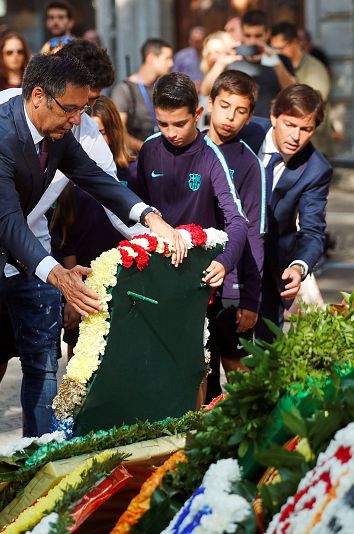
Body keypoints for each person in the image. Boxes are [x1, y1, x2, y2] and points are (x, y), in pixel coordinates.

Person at [0, 52, 187, 445]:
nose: (78, 120)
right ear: (39, 96)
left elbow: (95, 177)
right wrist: (58, 273)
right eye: (72, 110)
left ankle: (25, 469)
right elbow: (7, 221)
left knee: (36, 367)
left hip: (19, 258)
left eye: (82, 110)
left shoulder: (57, 130)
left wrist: (150, 218)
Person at [130, 71, 248, 307]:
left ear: (197, 114)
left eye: (180, 124)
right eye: (163, 124)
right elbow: (135, 209)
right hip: (153, 269)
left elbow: (237, 220)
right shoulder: (149, 149)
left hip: (197, 274)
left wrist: (224, 261)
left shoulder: (212, 156)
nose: (171, 133)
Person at [239, 84, 332, 340]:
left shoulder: (316, 168)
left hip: (271, 267)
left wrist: (299, 267)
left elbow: (313, 230)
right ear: (273, 116)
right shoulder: (244, 131)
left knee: (266, 353)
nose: (296, 136)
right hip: (224, 255)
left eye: (306, 129)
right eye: (290, 124)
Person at [50, 95, 140, 358]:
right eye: (92, 133)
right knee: (81, 363)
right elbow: (67, 238)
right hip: (85, 282)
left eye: (102, 132)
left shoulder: (132, 172)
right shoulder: (69, 177)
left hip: (127, 281)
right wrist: (72, 296)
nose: (96, 140)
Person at [202, 70, 265, 399]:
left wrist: (251, 299)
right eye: (225, 106)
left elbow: (253, 234)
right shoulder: (190, 148)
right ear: (210, 103)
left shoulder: (249, 164)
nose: (230, 117)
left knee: (240, 378)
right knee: (200, 377)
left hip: (230, 287)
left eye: (241, 111)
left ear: (250, 116)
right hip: (191, 281)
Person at [204, 10, 296, 118]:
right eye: (248, 35)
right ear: (242, 34)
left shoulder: (280, 60)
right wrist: (220, 63)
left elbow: (292, 92)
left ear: (267, 34)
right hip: (237, 125)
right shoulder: (232, 58)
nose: (252, 41)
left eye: (258, 36)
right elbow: (206, 91)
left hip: (268, 125)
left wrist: (276, 63)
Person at [270, 22, 333, 155]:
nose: (277, 53)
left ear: (295, 42)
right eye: (274, 49)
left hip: (313, 147)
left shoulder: (315, 68)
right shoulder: (275, 66)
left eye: (281, 48)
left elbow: (312, 105)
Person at [111, 38, 174, 152]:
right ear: (151, 58)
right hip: (136, 161)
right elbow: (118, 131)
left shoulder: (162, 88)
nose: (171, 63)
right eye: (167, 58)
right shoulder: (124, 90)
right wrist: (147, 149)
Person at [0, 32, 30, 96]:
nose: (15, 55)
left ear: (25, 54)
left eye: (20, 52)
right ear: (1, 56)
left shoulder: (33, 82)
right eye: (9, 52)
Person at [198, 31, 239, 97]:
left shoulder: (236, 70)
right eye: (209, 53)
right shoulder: (210, 72)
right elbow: (205, 91)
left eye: (217, 52)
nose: (212, 57)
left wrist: (220, 63)